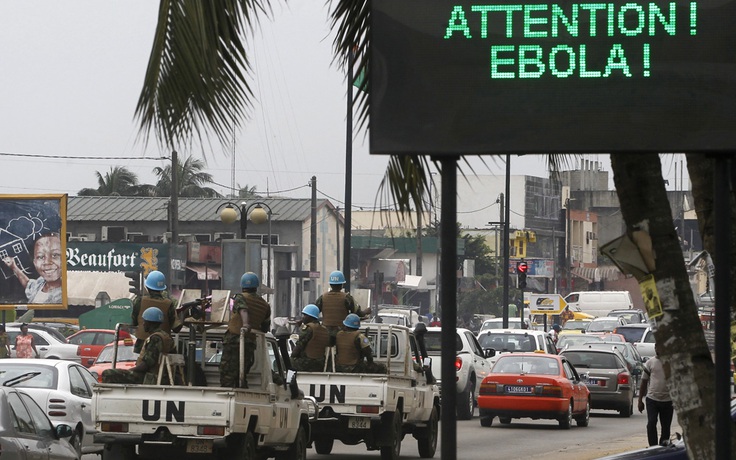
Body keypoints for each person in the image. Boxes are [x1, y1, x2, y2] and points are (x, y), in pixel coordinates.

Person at [220, 272, 271, 388]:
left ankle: (228, 399)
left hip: (234, 341)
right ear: (256, 286)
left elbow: (243, 309)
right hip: (249, 344)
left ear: (242, 286)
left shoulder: (240, 297)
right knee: (241, 374)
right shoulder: (265, 305)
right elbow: (265, 327)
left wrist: (246, 324)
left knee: (227, 375)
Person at [102, 307, 174, 384]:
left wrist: (128, 371)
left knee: (108, 373)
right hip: (162, 376)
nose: (143, 324)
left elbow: (145, 366)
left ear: (150, 323)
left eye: (145, 321)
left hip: (151, 377)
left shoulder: (155, 339)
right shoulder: (166, 336)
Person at [3, 233, 63, 304]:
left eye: (55, 255)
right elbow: (29, 285)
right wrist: (14, 267)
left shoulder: (65, 294)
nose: (47, 262)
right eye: (40, 257)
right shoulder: (41, 282)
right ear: (35, 262)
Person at [131, 270, 181, 353]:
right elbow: (176, 328)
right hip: (162, 347)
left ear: (147, 287)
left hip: (142, 346)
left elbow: (134, 322)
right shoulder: (168, 304)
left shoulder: (139, 301)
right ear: (162, 289)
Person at [315, 270, 371, 342]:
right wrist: (366, 311)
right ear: (342, 285)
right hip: (342, 334)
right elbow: (358, 313)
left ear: (330, 284)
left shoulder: (323, 297)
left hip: (325, 334)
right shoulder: (347, 298)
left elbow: (314, 311)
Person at [638, 345, 673, 446]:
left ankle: (662, 449)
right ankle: (653, 447)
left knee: (666, 428)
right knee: (651, 423)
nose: (658, 350)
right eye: (656, 347)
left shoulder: (671, 363)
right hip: (652, 399)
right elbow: (644, 382)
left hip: (667, 400)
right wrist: (640, 400)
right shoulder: (650, 362)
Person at [290, 304, 329, 372]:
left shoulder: (309, 328)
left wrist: (293, 356)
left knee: (287, 361)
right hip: (320, 364)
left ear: (310, 317)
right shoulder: (324, 329)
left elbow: (297, 349)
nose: (303, 318)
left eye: (305, 315)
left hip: (308, 363)